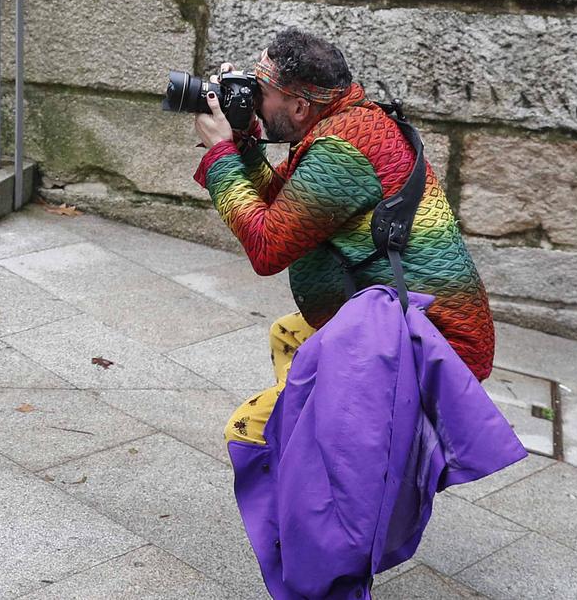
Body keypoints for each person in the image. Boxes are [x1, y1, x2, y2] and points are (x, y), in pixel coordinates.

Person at [190, 27, 494, 446]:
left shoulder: (342, 151)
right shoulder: (348, 122)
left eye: (259, 92)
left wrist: (220, 155)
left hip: (428, 347)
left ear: (299, 106)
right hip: (402, 322)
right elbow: (283, 204)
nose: (253, 101)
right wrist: (241, 141)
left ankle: (317, 456)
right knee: (288, 335)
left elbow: (267, 247)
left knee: (250, 434)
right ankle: (330, 440)